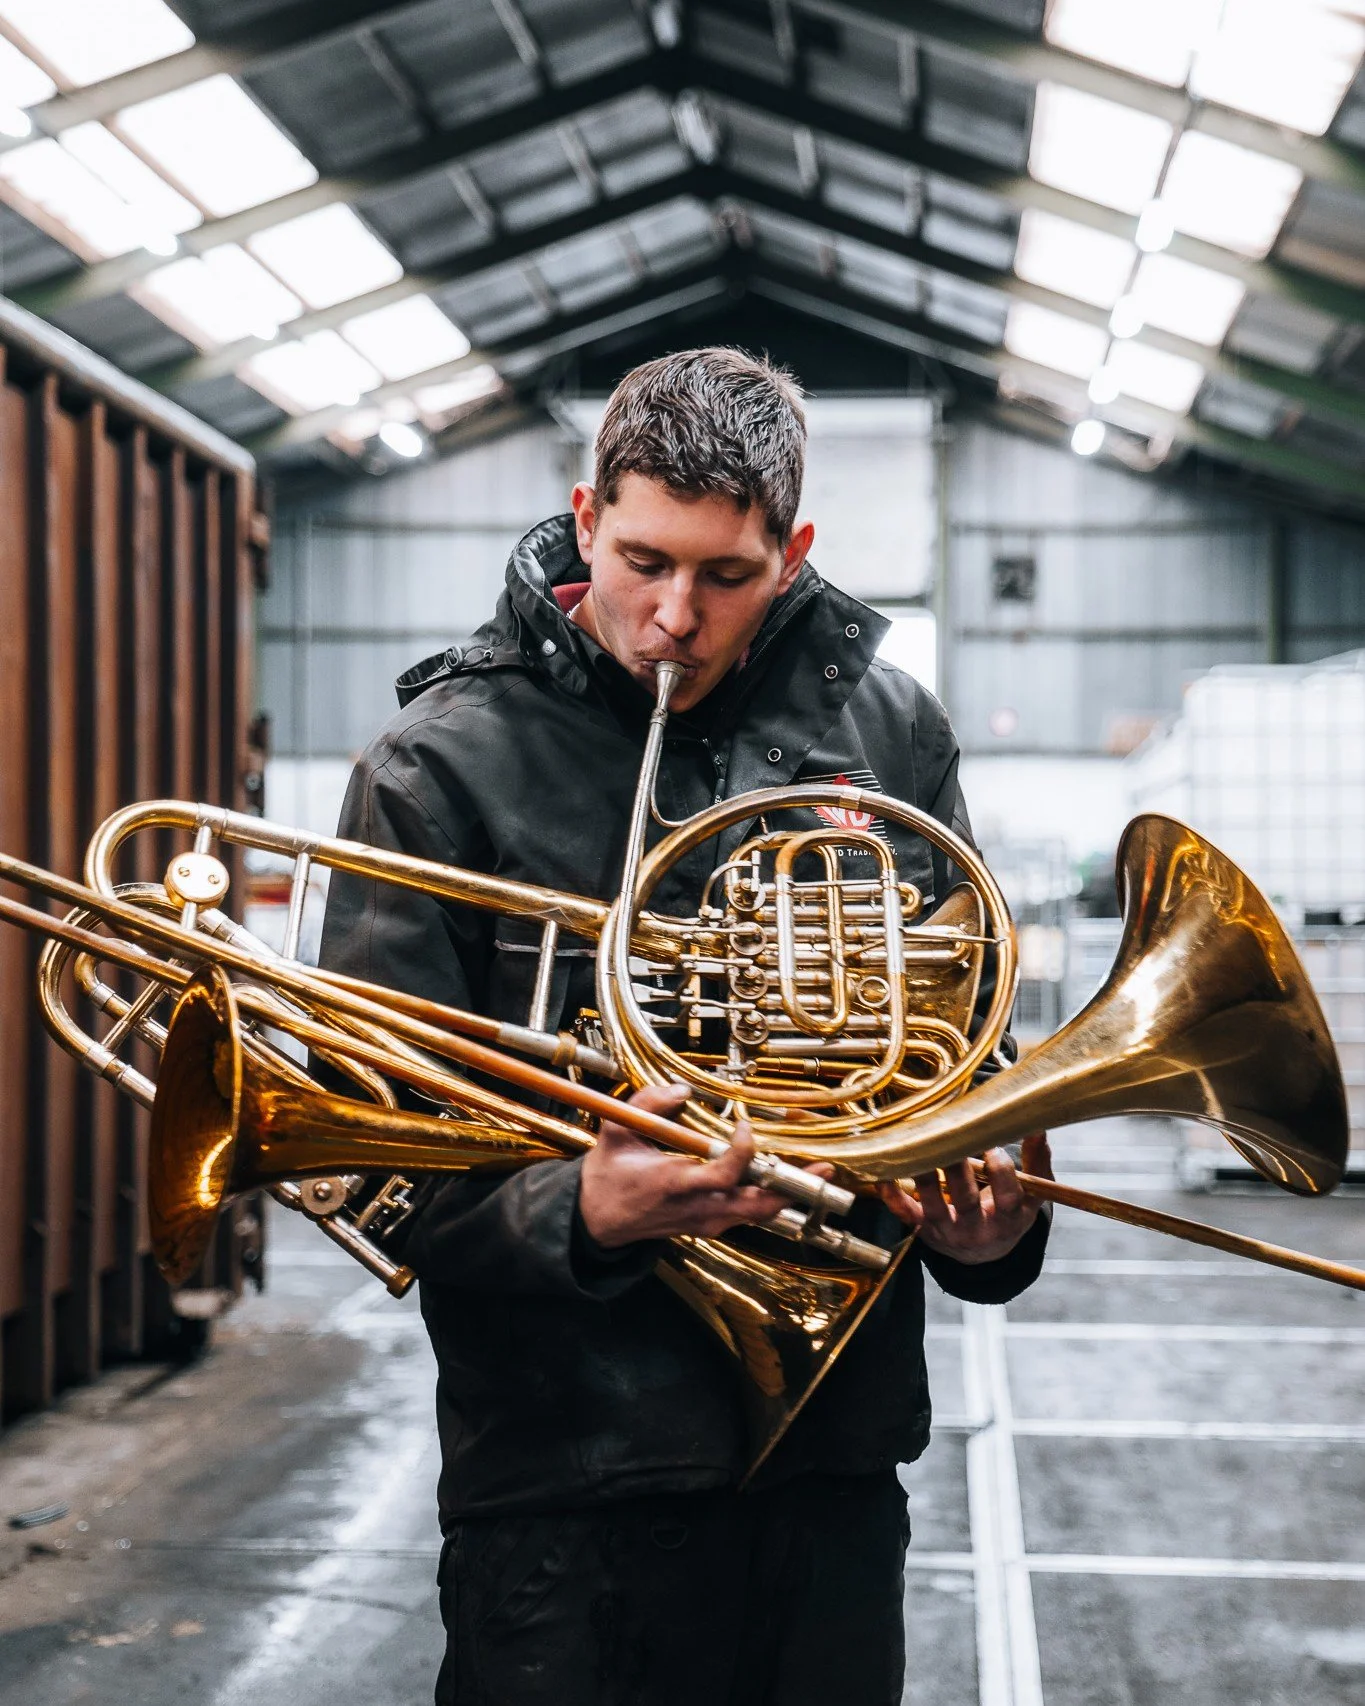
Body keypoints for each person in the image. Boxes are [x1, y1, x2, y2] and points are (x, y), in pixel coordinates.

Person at [317, 347, 1051, 1706]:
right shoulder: (437, 762)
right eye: (644, 560)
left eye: (726, 575)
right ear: (586, 517)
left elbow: (969, 1058)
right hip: (558, 1485)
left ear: (796, 548)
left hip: (830, 1478)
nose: (673, 617)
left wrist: (994, 1229)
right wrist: (578, 1208)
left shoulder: (891, 732)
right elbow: (361, 1163)